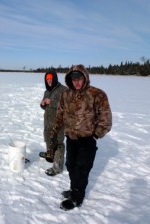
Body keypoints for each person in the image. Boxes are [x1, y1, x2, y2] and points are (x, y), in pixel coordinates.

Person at [48, 64, 112, 210]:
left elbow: (106, 120)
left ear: (85, 77)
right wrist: (54, 132)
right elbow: (60, 115)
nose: (76, 82)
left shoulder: (97, 94)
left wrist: (95, 136)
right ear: (70, 79)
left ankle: (77, 198)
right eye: (73, 78)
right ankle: (73, 189)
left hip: (87, 139)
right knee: (71, 166)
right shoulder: (66, 94)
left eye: (79, 78)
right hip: (71, 137)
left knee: (82, 169)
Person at [39, 71, 67, 176]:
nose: (49, 81)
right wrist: (42, 104)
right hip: (48, 121)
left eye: (51, 79)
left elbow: (67, 106)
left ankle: (57, 167)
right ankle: (50, 154)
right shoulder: (47, 91)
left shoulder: (63, 90)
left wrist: (52, 102)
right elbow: (44, 105)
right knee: (48, 138)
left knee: (58, 142)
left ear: (55, 79)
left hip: (59, 123)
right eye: (47, 80)